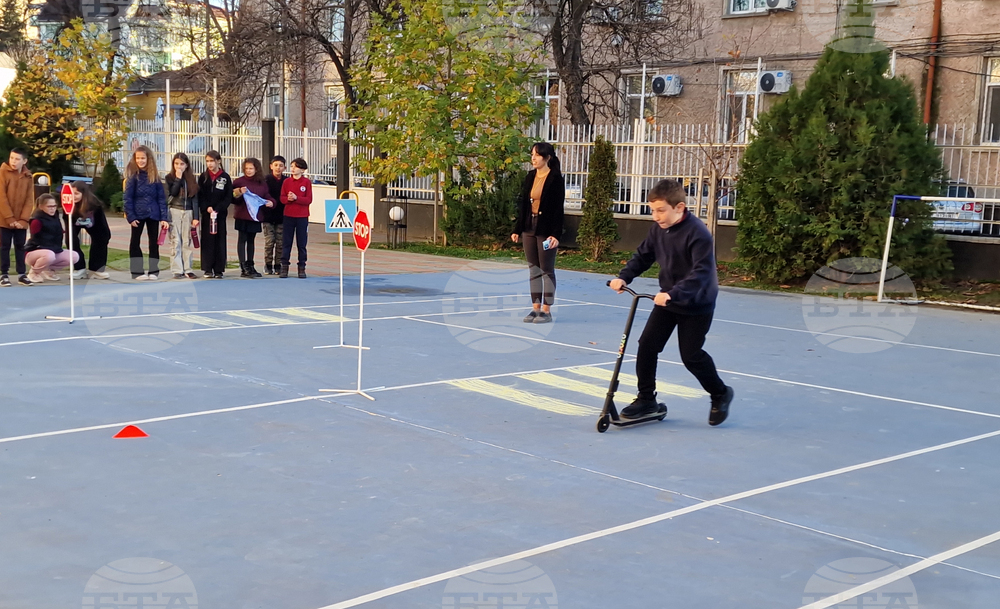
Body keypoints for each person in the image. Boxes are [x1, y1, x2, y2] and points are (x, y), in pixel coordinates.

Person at [608, 179, 734, 426]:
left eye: (661, 210)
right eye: (653, 210)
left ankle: (720, 393)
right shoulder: (658, 229)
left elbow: (701, 274)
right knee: (647, 345)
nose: (655, 216)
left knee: (691, 355)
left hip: (696, 302)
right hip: (668, 300)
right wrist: (624, 277)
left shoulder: (698, 234)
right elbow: (644, 254)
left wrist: (673, 293)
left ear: (679, 207)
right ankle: (646, 399)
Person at [511, 142, 565, 324]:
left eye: (537, 155)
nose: (533, 158)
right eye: (532, 154)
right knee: (533, 270)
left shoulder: (555, 178)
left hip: (546, 229)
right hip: (529, 227)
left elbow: (558, 210)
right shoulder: (530, 176)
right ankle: (535, 309)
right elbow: (524, 205)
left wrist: (555, 235)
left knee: (546, 270)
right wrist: (517, 229)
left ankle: (546, 310)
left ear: (547, 157)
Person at [124, 145, 169, 281]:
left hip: (153, 214)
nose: (140, 161)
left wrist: (163, 217)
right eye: (138, 158)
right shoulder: (133, 177)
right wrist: (131, 216)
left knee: (154, 243)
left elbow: (161, 198)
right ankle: (137, 271)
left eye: (143, 158)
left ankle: (154, 270)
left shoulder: (155, 177)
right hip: (137, 214)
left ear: (148, 159)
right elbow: (127, 198)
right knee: (135, 242)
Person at [232, 157, 276, 278]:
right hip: (242, 215)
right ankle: (243, 267)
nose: (249, 171)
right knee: (242, 239)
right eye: (246, 168)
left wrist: (271, 202)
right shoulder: (238, 182)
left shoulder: (261, 183)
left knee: (251, 241)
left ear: (256, 169)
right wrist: (239, 192)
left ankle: (250, 265)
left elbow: (266, 195)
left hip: (255, 216)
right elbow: (232, 198)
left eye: (251, 168)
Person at [0, 147, 36, 287]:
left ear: (24, 161)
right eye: (12, 158)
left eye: (17, 159)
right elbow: (2, 198)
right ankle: (4, 274)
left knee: (20, 246)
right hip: (4, 219)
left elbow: (29, 200)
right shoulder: (3, 173)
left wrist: (23, 219)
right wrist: (10, 219)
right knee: (4, 246)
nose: (13, 161)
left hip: (21, 221)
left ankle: (22, 274)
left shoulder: (28, 176)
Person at [24, 193, 79, 283]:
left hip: (54, 250)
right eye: (49, 206)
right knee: (49, 255)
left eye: (54, 206)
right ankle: (34, 272)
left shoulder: (56, 218)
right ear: (41, 207)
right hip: (34, 252)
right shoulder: (36, 220)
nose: (52, 208)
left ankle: (48, 270)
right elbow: (35, 239)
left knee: (74, 256)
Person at [197, 150, 233, 279]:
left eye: (212, 161)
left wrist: (218, 209)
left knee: (219, 240)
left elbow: (228, 196)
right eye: (207, 161)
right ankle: (207, 268)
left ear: (218, 161)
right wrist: (206, 208)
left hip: (220, 215)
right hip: (207, 215)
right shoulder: (203, 177)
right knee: (207, 241)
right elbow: (200, 195)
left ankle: (218, 269)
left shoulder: (225, 177)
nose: (210, 164)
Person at [164, 152, 200, 279]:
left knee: (186, 241)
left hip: (188, 212)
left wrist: (196, 217)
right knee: (175, 241)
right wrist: (178, 179)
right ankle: (177, 269)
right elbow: (173, 193)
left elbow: (195, 199)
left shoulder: (191, 179)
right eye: (176, 164)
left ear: (186, 165)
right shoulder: (169, 177)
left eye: (182, 164)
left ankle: (188, 269)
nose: (179, 166)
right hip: (175, 210)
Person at [68, 181, 111, 280]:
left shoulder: (94, 204)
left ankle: (96, 269)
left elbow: (101, 224)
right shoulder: (69, 203)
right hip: (75, 221)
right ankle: (80, 269)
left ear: (84, 194)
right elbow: (67, 221)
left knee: (102, 237)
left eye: (77, 194)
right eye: (72, 193)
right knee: (71, 240)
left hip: (93, 223)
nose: (74, 196)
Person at [279, 158, 312, 279]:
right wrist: (288, 199)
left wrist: (297, 198)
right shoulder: (287, 182)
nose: (293, 169)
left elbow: (308, 200)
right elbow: (282, 198)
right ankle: (284, 266)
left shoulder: (306, 182)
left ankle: (302, 266)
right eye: (292, 166)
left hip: (302, 216)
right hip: (288, 215)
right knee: (286, 242)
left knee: (301, 243)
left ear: (302, 170)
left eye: (296, 167)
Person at [262, 155, 286, 275]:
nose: (278, 168)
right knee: (269, 241)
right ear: (271, 166)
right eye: (276, 165)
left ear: (284, 167)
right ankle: (267, 264)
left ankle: (278, 265)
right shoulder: (265, 180)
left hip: (282, 216)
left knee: (280, 242)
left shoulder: (286, 181)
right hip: (268, 217)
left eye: (281, 166)